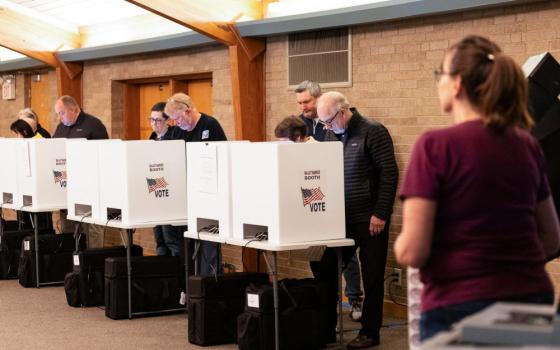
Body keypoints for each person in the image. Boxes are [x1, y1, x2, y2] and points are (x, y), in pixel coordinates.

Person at [394, 35, 560, 342]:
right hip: (530, 302)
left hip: (461, 309)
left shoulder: (434, 146)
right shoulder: (527, 146)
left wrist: (401, 247)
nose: (438, 83)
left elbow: (413, 250)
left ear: (456, 84)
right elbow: (551, 240)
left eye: (439, 74)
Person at [316, 91, 399, 348]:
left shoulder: (373, 131)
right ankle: (325, 329)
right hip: (340, 219)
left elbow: (389, 174)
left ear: (343, 112)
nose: (327, 127)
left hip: (370, 219)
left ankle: (370, 333)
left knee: (372, 275)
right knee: (324, 267)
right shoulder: (331, 134)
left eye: (329, 121)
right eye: (324, 124)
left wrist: (381, 213)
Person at [275, 114, 365, 321]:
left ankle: (334, 315)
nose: (282, 147)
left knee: (332, 269)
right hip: (309, 224)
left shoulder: (321, 152)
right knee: (320, 272)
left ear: (297, 139)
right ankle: (326, 317)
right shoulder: (295, 154)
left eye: (284, 142)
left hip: (328, 222)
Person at [165, 92, 226, 275]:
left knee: (208, 246)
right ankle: (190, 286)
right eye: (173, 120)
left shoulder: (210, 125)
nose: (176, 123)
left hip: (209, 197)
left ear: (188, 110)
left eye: (177, 118)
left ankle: (210, 285)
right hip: (186, 198)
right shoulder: (176, 132)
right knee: (186, 246)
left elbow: (223, 157)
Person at [53, 95, 109, 247]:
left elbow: (105, 156)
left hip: (90, 187)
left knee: (92, 229)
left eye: (62, 113)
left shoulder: (94, 125)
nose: (60, 117)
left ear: (74, 109)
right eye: (58, 114)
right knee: (68, 228)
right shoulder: (61, 127)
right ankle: (72, 262)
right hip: (67, 186)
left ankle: (93, 264)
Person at [147, 102, 183, 257]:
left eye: (158, 120)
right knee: (160, 240)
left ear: (168, 121)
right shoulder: (152, 139)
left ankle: (177, 277)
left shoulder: (175, 137)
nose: (154, 124)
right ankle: (162, 276)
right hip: (155, 195)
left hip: (170, 197)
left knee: (172, 240)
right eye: (151, 119)